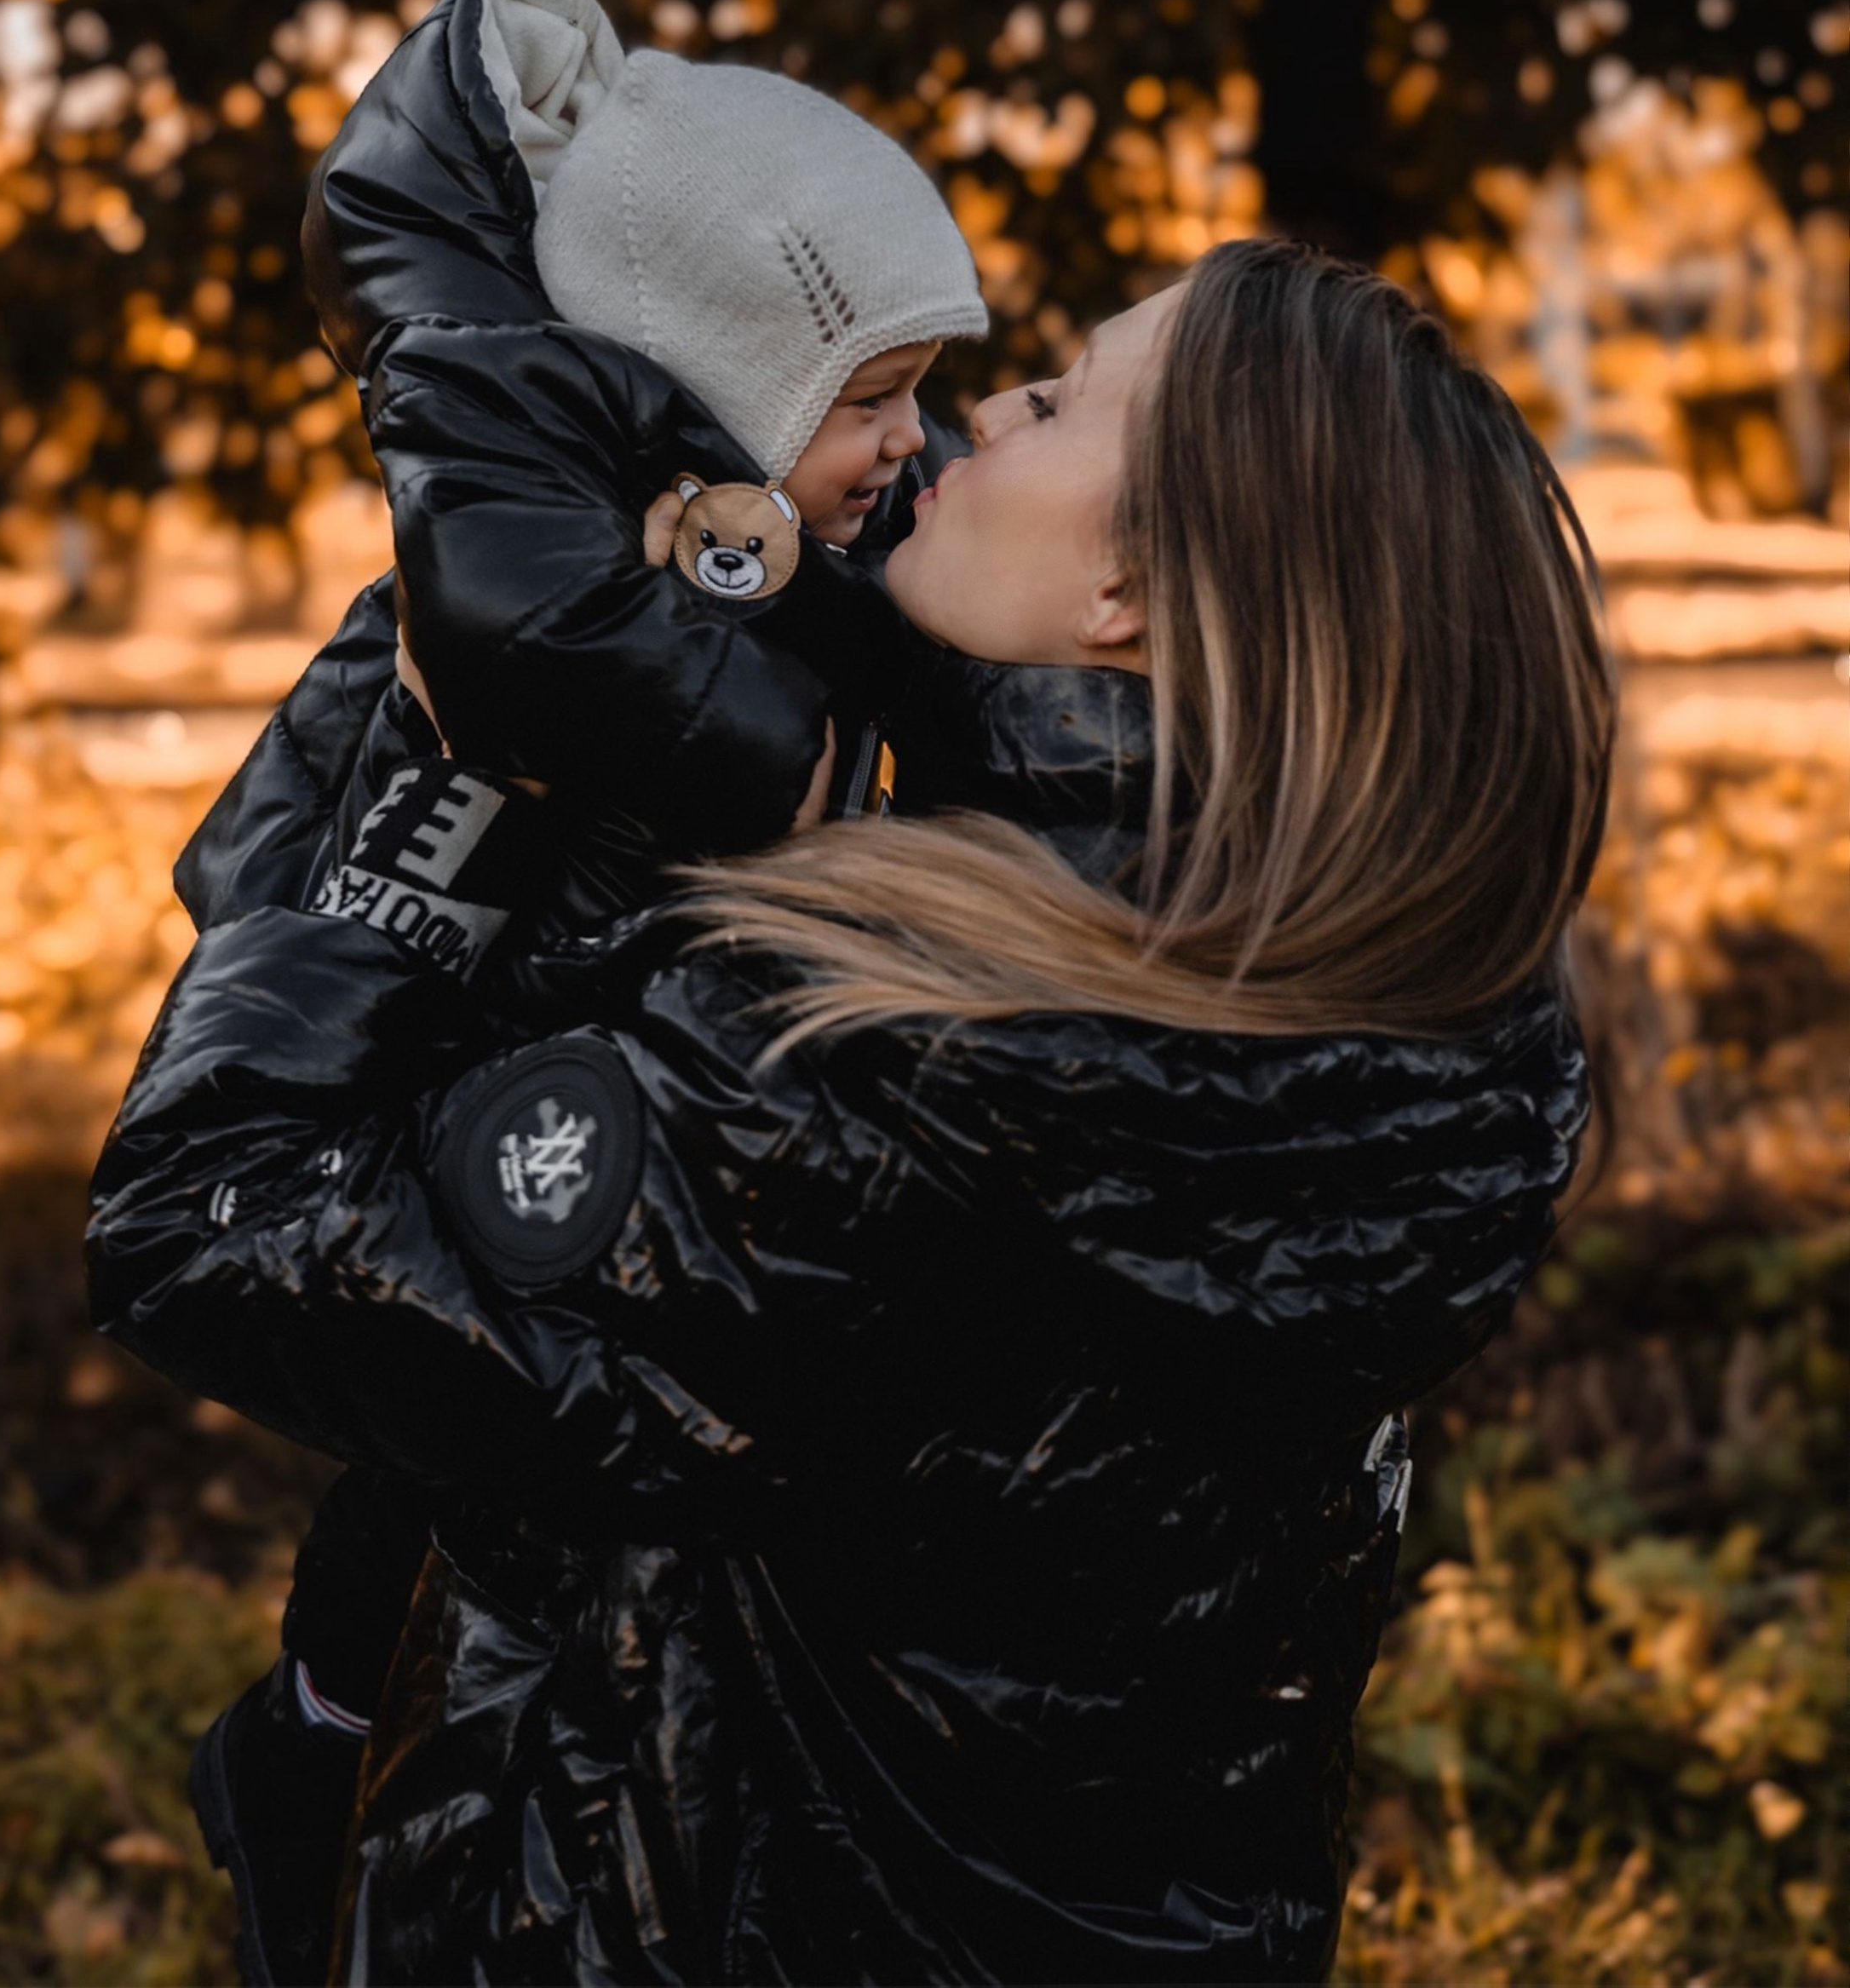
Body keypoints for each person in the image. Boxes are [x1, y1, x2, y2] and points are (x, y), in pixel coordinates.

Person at [89, 236, 1612, 1985]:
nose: (982, 415)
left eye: (1058, 404)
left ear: (1127, 589)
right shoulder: (1399, 1021)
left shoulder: (904, 1062)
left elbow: (212, 1223)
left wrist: (458, 745)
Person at [174, 0, 987, 1983]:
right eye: (870, 400)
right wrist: (779, 740)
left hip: (573, 1054)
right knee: (433, 1466)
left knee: (486, 1477)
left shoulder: (737, 513)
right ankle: (313, 1749)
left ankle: (368, 1758)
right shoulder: (551, 520)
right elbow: (529, 651)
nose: (913, 444)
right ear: (715, 388)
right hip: (457, 1038)